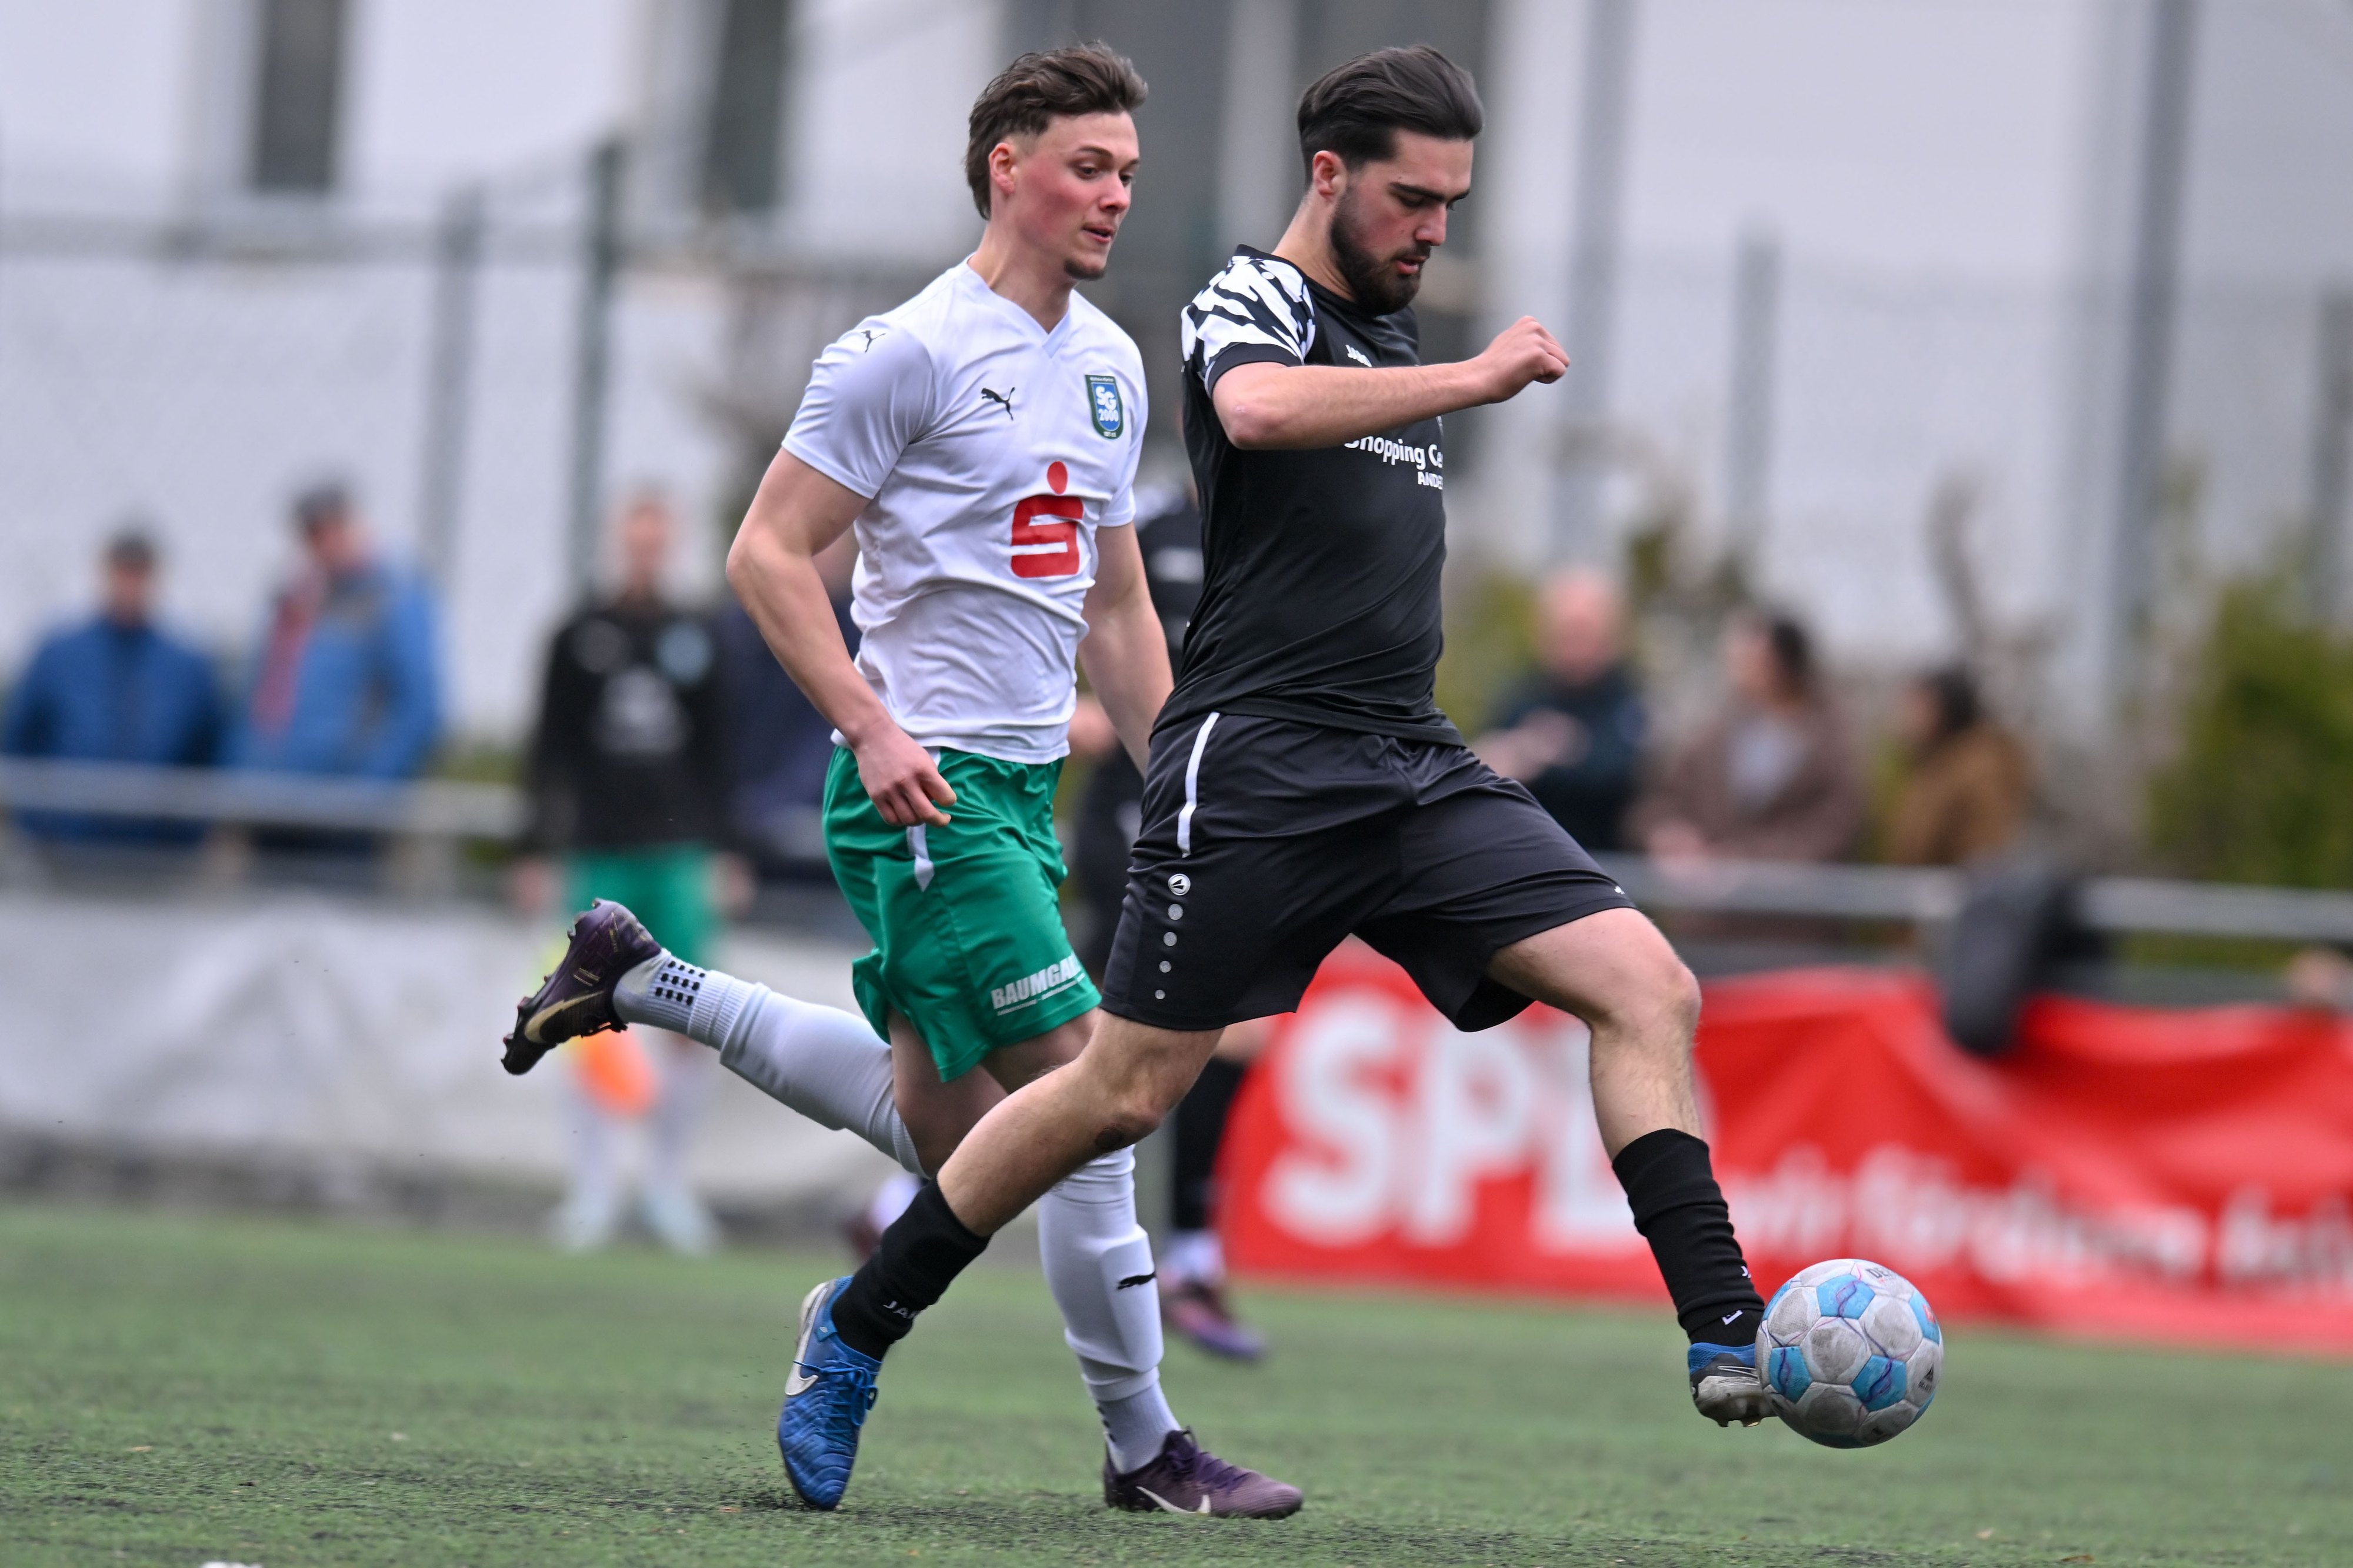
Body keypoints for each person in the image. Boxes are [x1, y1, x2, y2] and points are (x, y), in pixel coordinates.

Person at [739, 42, 1768, 1514]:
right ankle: (862, 1318)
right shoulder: (1248, 300)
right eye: (1411, 199)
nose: (1433, 231)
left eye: (1453, 205)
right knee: (1113, 1096)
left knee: (1647, 984)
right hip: (1260, 762)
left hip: (1407, 758)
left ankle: (1725, 1323)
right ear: (1328, 176)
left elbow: (1117, 606)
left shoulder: (1316, 339)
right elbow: (1254, 413)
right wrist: (1474, 376)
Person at [503, 46, 1298, 1517]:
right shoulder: (907, 351)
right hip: (922, 798)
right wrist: (870, 723)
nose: (1115, 195)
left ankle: (644, 981)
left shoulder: (1111, 366)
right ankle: (1142, 1446)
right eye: (1088, 166)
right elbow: (765, 552)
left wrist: (1184, 782)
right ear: (1007, 167)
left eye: (1127, 172)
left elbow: (1118, 608)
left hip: (1020, 802)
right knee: (1095, 1104)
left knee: (953, 1133)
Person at [1065, 483, 1269, 1362]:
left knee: (1224, 1034)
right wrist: (1065, 704)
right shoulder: (1143, 516)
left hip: (1234, 809)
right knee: (1087, 1044)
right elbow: (1055, 592)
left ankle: (1189, 1257)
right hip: (1140, 808)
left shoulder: (1291, 516)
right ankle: (1187, 1260)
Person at [514, 492, 736, 1255]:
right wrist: (535, 848)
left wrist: (726, 849)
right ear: (618, 542)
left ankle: (667, 1184)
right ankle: (595, 1188)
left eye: (656, 540)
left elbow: (720, 750)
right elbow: (547, 745)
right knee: (580, 1017)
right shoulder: (578, 633)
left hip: (679, 856)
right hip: (598, 850)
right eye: (635, 539)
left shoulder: (696, 634)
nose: (646, 552)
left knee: (694, 1019)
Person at [4, 527, 224, 843]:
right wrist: (38, 823)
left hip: (157, 852)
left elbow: (207, 752)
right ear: (105, 574)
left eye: (139, 574)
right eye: (123, 572)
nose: (130, 586)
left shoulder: (187, 666)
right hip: (64, 846)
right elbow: (22, 741)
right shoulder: (58, 655)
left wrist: (186, 832)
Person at [229, 483, 439, 781]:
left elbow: (419, 708)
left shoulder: (392, 600)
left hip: (339, 796)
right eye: (314, 534)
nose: (326, 543)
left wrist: (369, 788)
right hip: (268, 787)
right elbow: (256, 699)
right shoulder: (293, 606)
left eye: (334, 529)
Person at [1633, 610, 1863, 865]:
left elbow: (1836, 825)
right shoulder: (1716, 730)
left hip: (1791, 887)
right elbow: (1662, 798)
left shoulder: (1831, 740)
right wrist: (1669, 833)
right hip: (1706, 884)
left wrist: (1747, 858)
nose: (1740, 669)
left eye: (1754, 659)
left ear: (1785, 663)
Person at [1473, 566, 1646, 850]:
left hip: (1603, 863)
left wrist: (1549, 754)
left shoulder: (1628, 703)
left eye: (1582, 631)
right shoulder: (1523, 696)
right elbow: (1486, 763)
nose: (1571, 645)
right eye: (1561, 631)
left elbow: (1620, 774)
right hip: (1526, 859)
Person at [1884, 665, 2029, 867]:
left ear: (1945, 711)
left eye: (1919, 706)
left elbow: (1980, 856)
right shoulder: (1935, 764)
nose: (1906, 715)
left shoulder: (1977, 771)